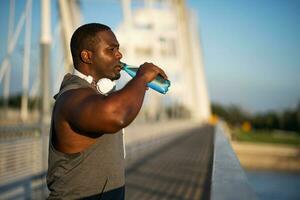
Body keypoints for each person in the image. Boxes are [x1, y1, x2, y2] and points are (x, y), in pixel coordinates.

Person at [46, 23, 168, 199]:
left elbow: (113, 106)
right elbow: (116, 115)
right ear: (87, 56)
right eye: (111, 50)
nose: (119, 55)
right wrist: (141, 78)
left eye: (118, 49)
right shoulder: (71, 97)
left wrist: (135, 89)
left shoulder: (94, 95)